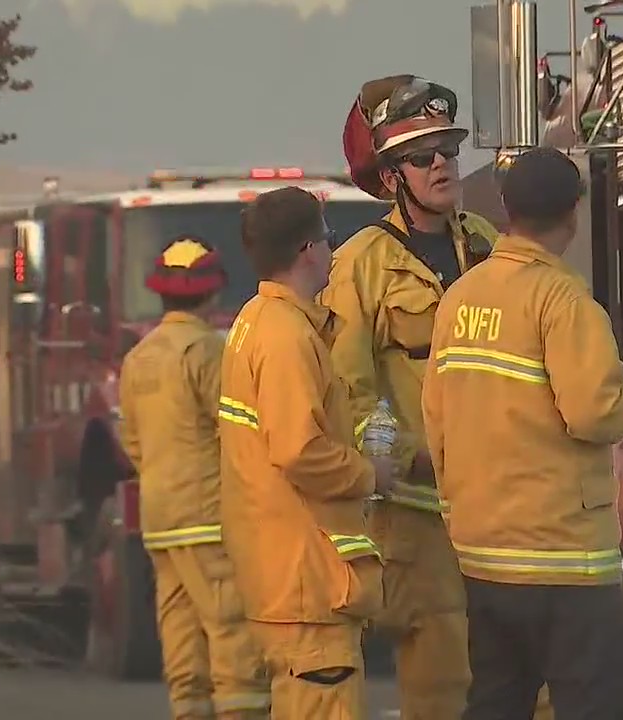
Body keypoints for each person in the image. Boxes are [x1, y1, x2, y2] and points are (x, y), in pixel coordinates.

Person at [421, 147, 623, 720]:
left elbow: (437, 414)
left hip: (484, 552)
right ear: (573, 213)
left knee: (496, 700)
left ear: (506, 210)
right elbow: (594, 413)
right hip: (563, 556)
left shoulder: (461, 297)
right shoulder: (563, 300)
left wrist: (456, 511)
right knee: (596, 703)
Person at [323, 74, 561, 720]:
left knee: (537, 680)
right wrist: (403, 454)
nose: (442, 165)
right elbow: (349, 387)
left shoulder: (487, 243)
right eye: (422, 156)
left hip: (503, 501)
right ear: (390, 176)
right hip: (420, 515)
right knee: (443, 684)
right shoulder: (361, 264)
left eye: (449, 151)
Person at [219, 187, 395, 720]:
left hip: (282, 572)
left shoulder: (256, 319)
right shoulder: (286, 337)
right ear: (307, 250)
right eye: (328, 238)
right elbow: (299, 450)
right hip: (307, 585)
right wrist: (370, 473)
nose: (332, 250)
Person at [118, 237, 270, 720]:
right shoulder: (206, 351)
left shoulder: (138, 357)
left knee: (180, 631)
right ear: (214, 290)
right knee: (232, 633)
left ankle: (189, 711)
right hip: (209, 518)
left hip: (161, 521)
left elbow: (133, 442)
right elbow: (237, 431)